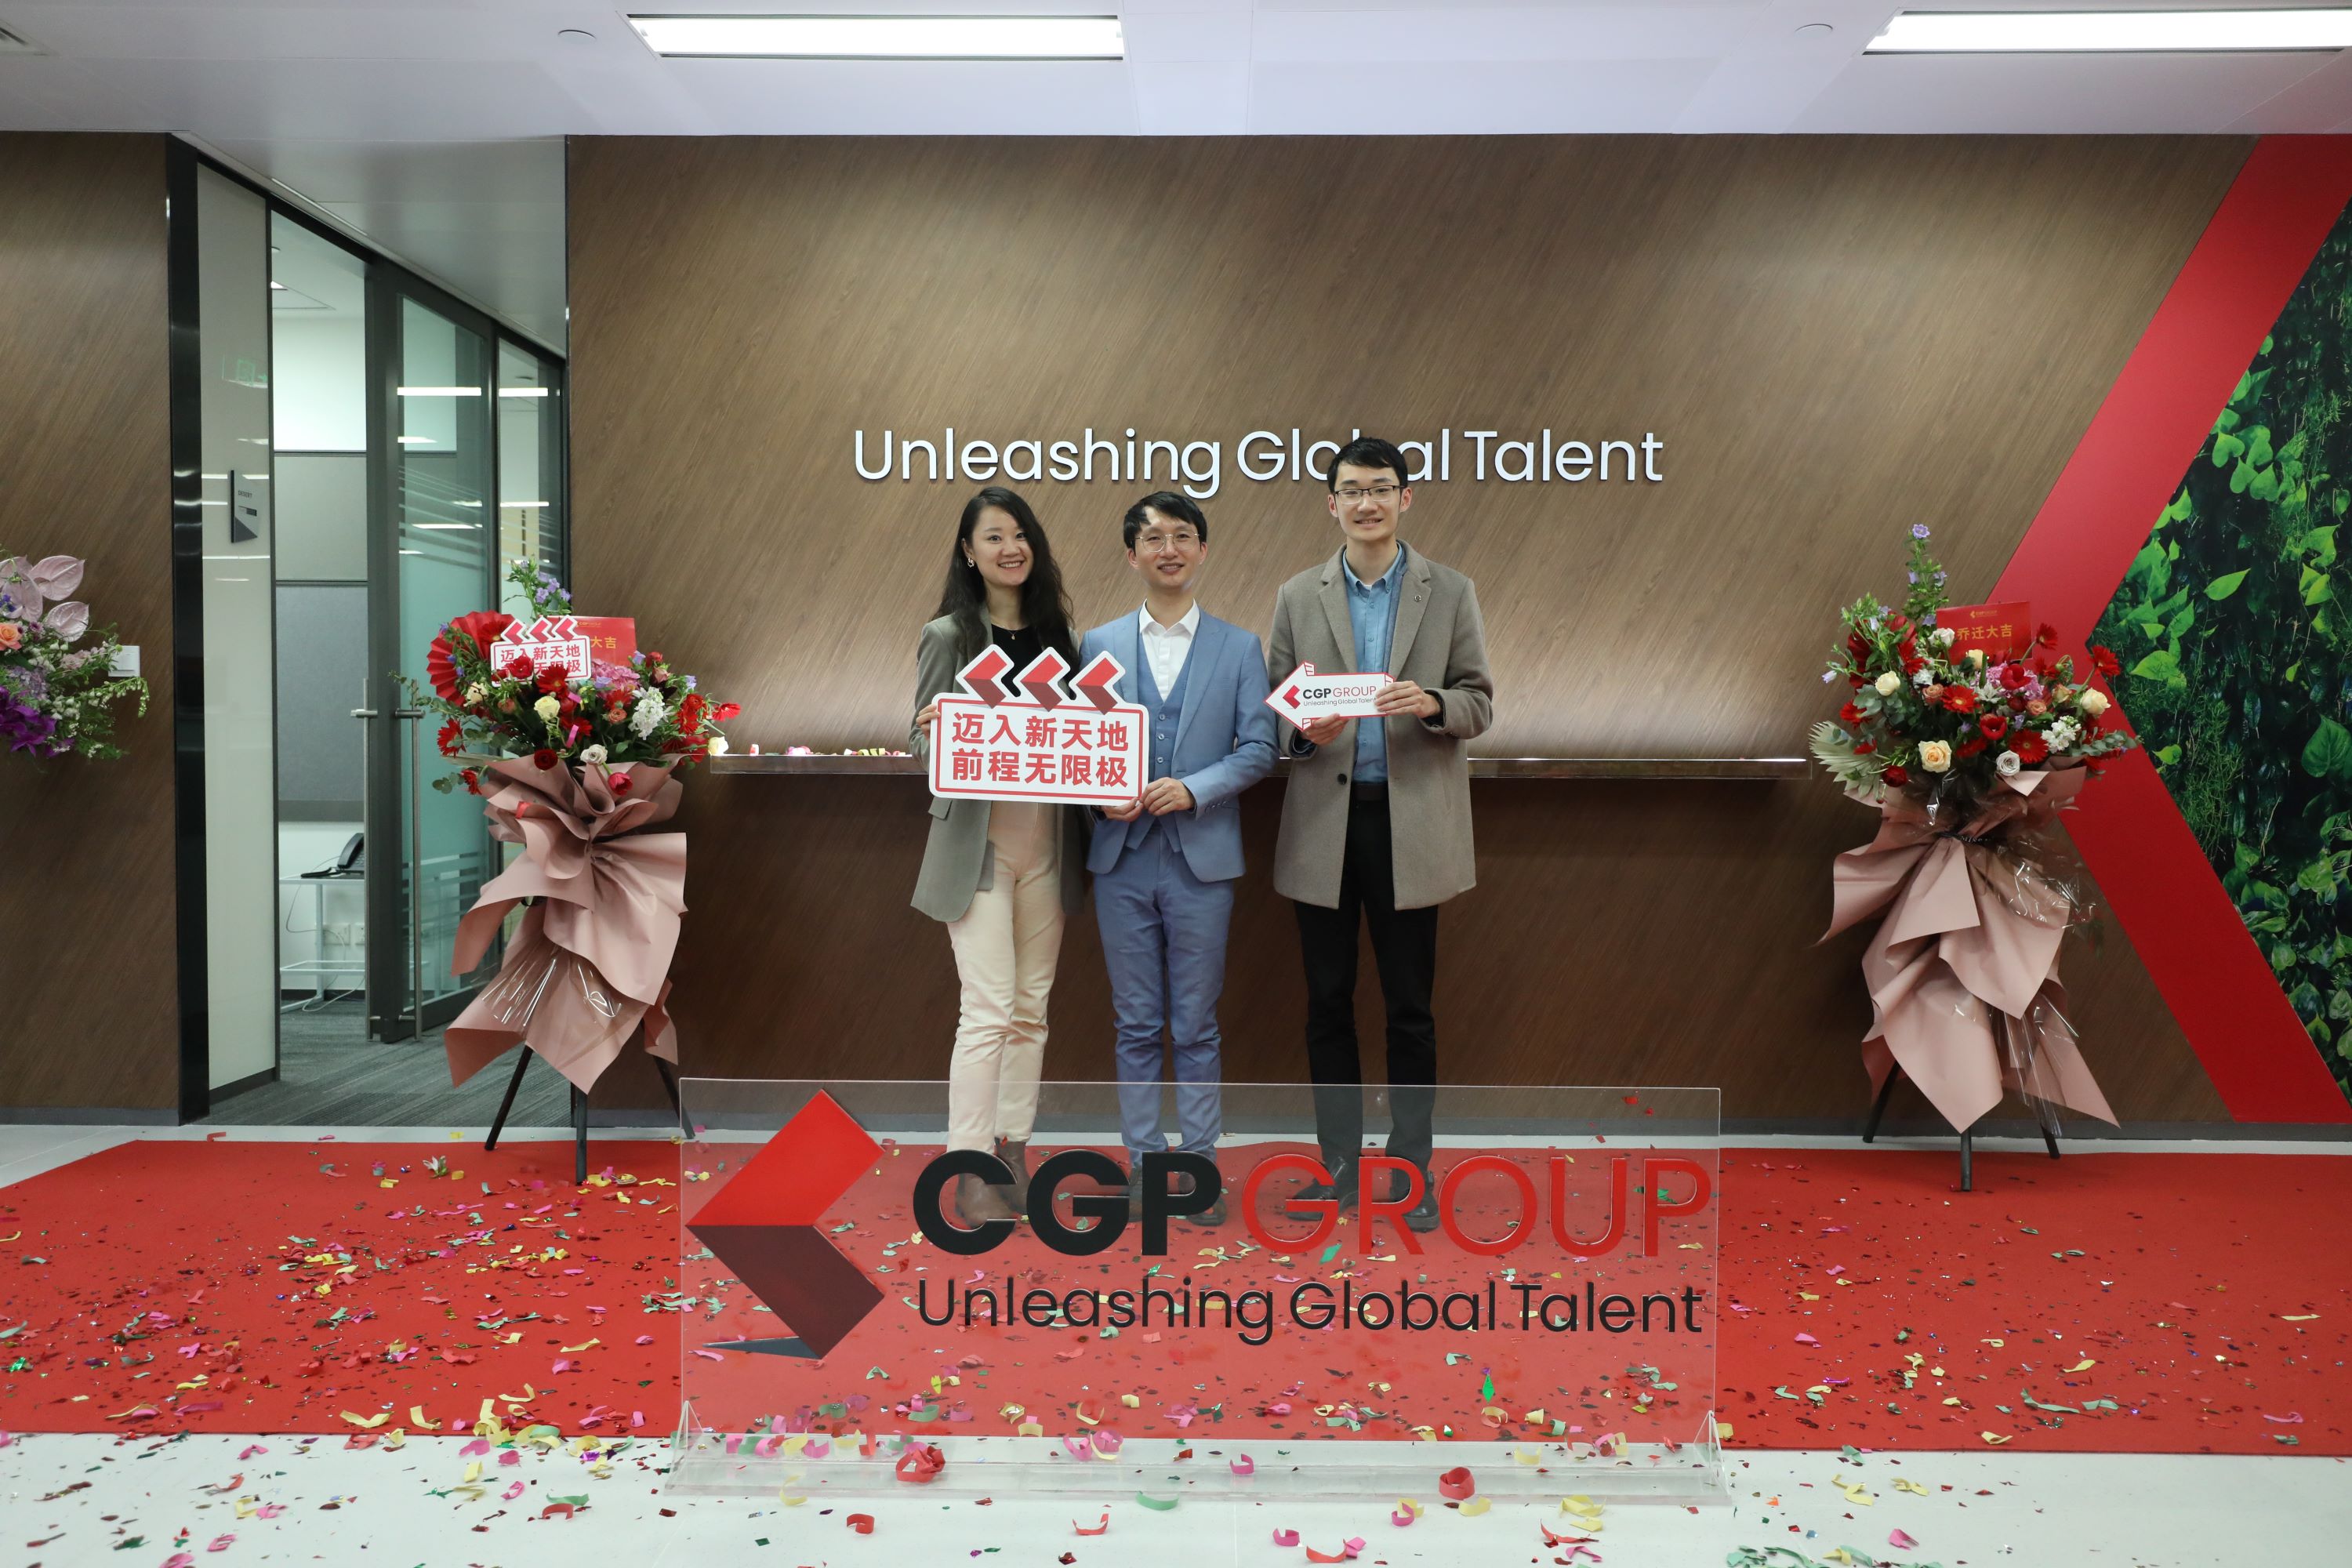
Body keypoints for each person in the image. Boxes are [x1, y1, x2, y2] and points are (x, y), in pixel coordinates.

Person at [1266, 437, 1494, 1232]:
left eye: (1382, 488)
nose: (1367, 502)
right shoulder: (1298, 593)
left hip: (1411, 826)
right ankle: (1336, 1166)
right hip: (1323, 827)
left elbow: (1479, 702)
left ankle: (1409, 1170)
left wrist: (1432, 703)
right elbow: (1276, 710)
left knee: (1409, 1009)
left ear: (1406, 497)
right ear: (1331, 503)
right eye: (1352, 490)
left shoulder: (1450, 590)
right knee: (1326, 1004)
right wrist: (1303, 731)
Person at [1079, 492, 1277, 1227]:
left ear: (1202, 551)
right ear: (1132, 555)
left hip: (1203, 863)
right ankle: (1142, 1165)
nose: (1169, 549)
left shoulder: (1239, 647)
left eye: (1182, 536)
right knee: (1134, 1022)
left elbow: (1260, 748)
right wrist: (1100, 798)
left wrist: (1195, 789)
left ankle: (1197, 1167)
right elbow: (1075, 748)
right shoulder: (1095, 644)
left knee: (1195, 1023)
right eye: (1153, 538)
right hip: (1121, 859)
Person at [911, 487, 1091, 1226]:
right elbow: (922, 742)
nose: (1010, 548)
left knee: (1030, 1010)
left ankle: (1014, 1151)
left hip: (1049, 844)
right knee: (986, 1009)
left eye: (1020, 535)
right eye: (993, 537)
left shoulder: (1060, 636)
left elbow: (1086, 739)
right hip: (978, 849)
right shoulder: (950, 635)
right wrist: (936, 732)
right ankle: (968, 1165)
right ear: (968, 551)